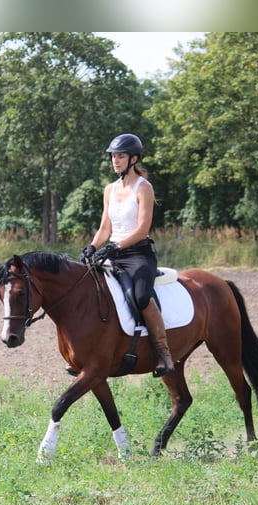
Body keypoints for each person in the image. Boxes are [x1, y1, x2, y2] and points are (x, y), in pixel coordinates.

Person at [81, 133, 174, 376]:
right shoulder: (109, 190)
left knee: (141, 297)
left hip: (138, 255)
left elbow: (142, 229)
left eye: (120, 156)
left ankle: (164, 353)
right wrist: (92, 246)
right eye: (113, 156)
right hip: (114, 253)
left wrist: (116, 245)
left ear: (133, 159)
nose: (115, 160)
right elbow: (105, 228)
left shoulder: (144, 188)